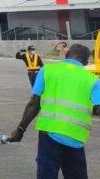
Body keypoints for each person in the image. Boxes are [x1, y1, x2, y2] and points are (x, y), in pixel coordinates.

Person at [9, 44, 100, 179]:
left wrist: (20, 129)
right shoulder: (93, 80)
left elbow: (34, 104)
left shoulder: (47, 70)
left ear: (67, 54)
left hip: (49, 134)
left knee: (47, 174)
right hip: (76, 138)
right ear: (86, 62)